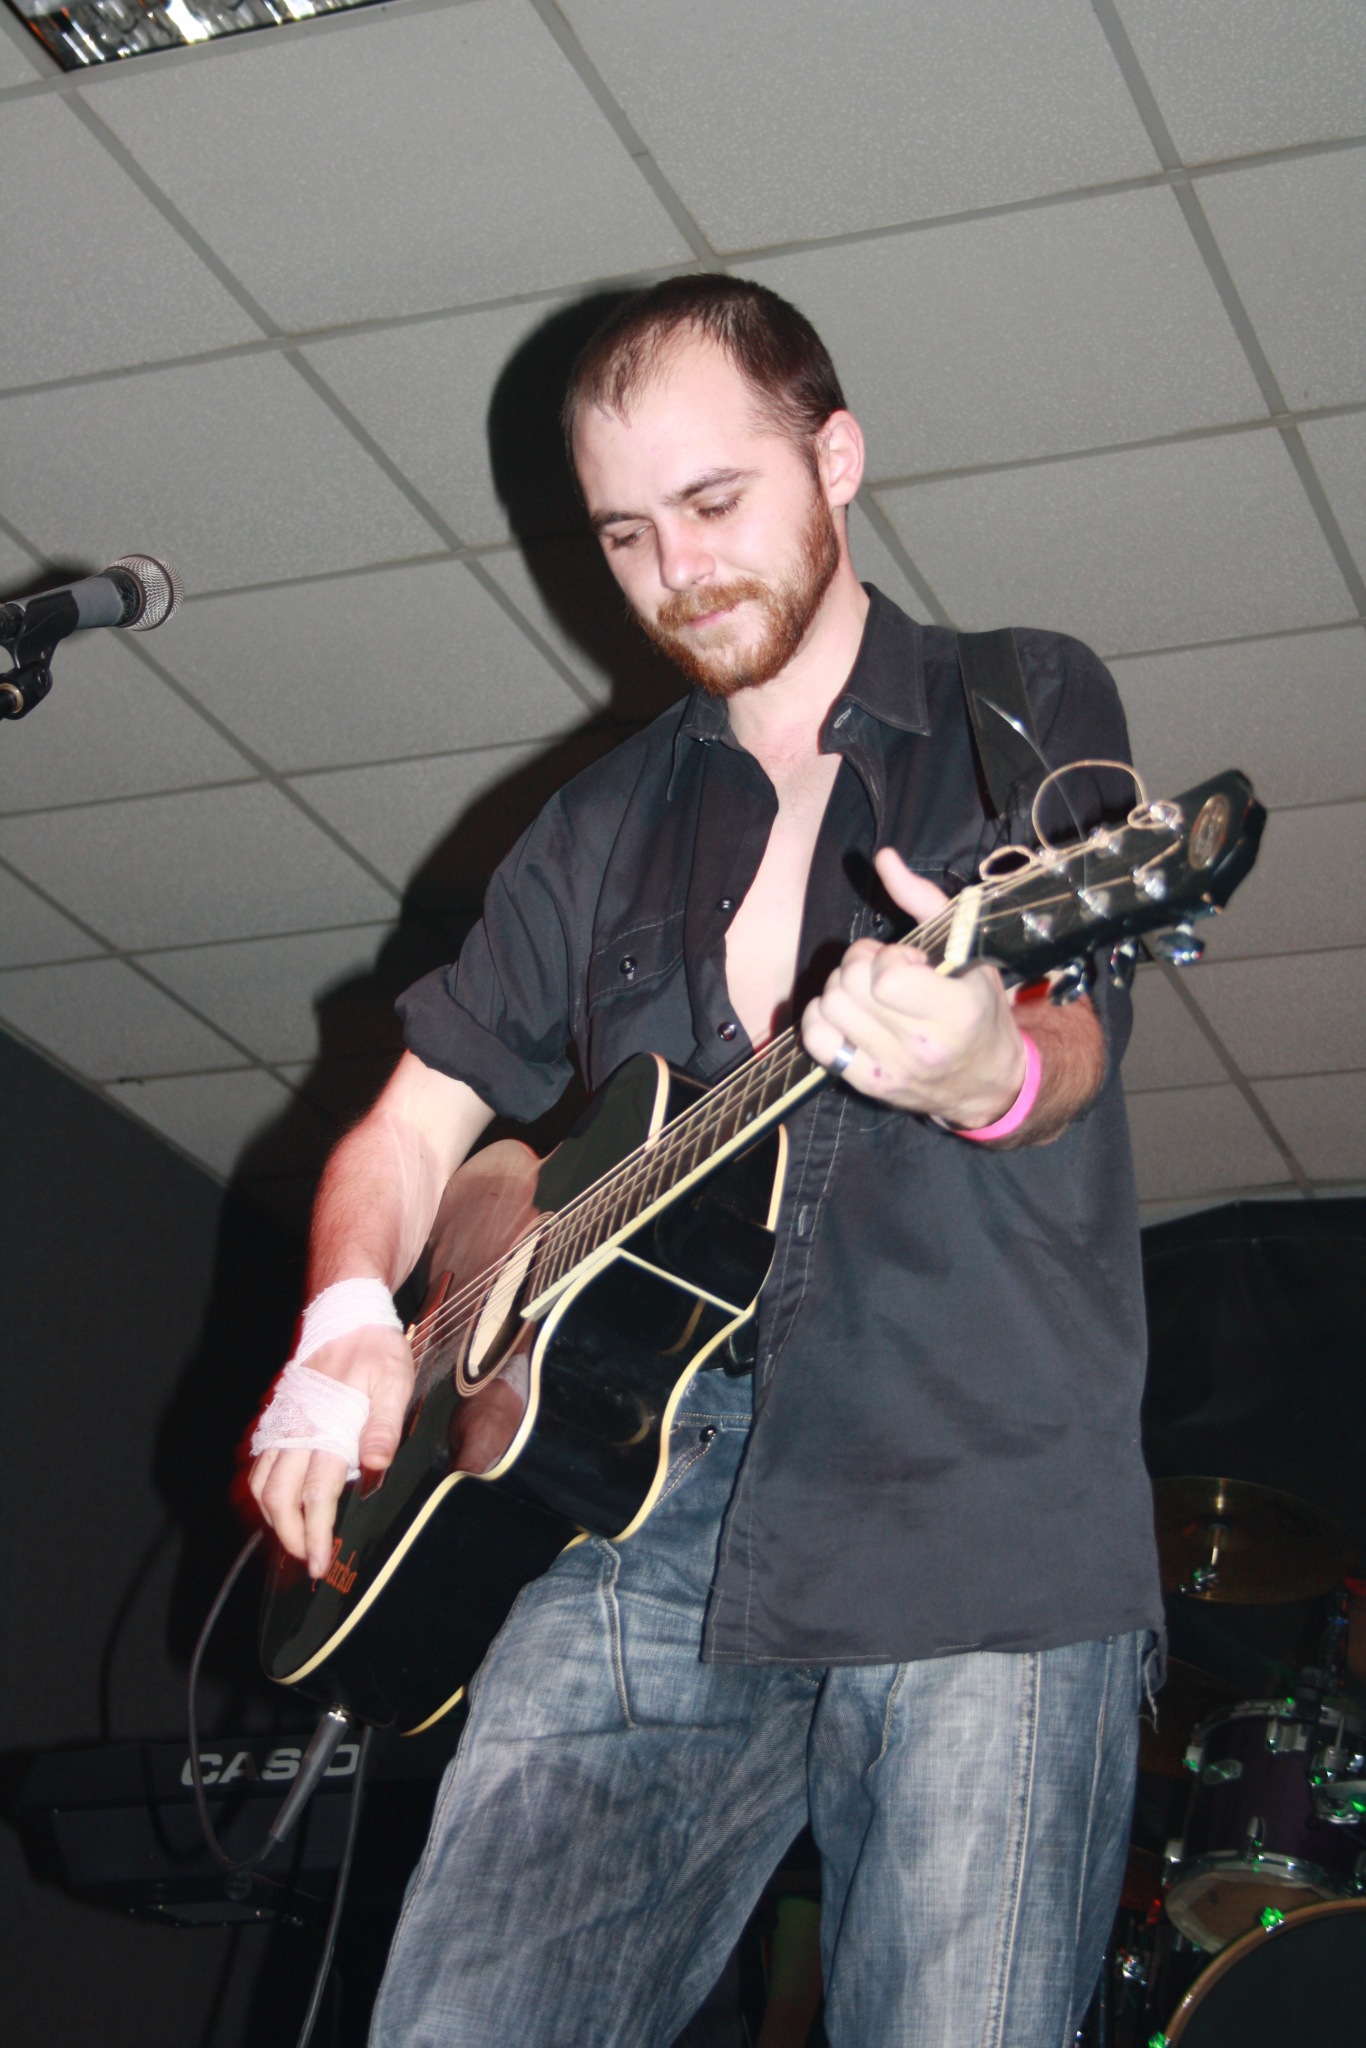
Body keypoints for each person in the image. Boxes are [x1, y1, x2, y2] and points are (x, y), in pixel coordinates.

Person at [249, 276, 1162, 2047]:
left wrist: (984, 1068)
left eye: (715, 500)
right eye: (625, 534)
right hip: (637, 1519)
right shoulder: (592, 825)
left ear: (837, 460)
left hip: (971, 1501)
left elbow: (1072, 1037)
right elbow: (417, 1122)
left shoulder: (1012, 699)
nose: (676, 568)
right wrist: (348, 1319)